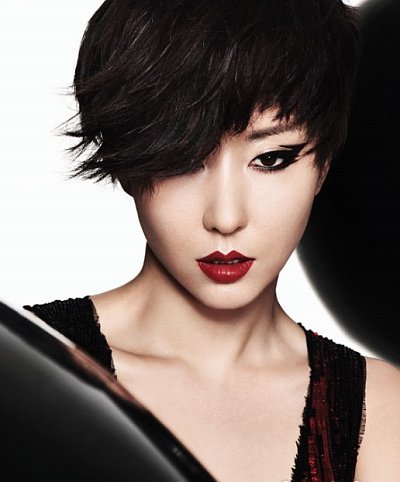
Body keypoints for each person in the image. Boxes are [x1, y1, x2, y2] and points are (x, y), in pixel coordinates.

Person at [24, 0, 400, 481]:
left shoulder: (378, 412)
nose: (226, 217)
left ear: (324, 163)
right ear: (126, 161)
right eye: (185, 159)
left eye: (272, 159)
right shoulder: (20, 369)